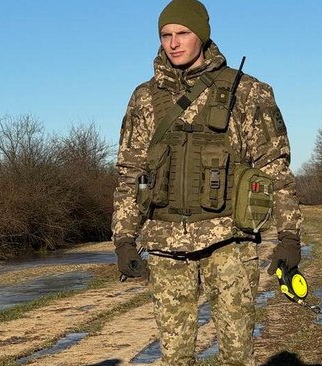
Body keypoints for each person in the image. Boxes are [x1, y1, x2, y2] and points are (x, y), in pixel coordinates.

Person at [112, 0, 303, 365]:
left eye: (183, 33)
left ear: (202, 34)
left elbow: (275, 167)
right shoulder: (144, 98)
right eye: (166, 35)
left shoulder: (248, 92)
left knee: (235, 355)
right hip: (165, 244)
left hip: (228, 241)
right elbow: (129, 174)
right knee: (176, 357)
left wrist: (290, 236)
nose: (173, 42)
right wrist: (123, 239)